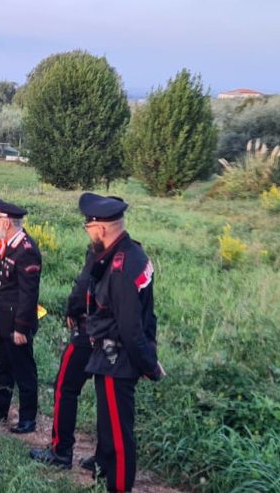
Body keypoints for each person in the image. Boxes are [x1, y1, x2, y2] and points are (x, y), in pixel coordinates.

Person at [75, 192, 164, 492]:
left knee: (120, 438)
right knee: (109, 431)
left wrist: (150, 365)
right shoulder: (126, 253)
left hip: (118, 361)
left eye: (89, 228)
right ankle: (106, 481)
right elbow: (147, 315)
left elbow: (130, 327)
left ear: (101, 228)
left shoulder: (122, 267)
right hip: (110, 356)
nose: (88, 234)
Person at [0, 197, 41, 434]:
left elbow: (28, 293)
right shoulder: (11, 245)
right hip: (4, 317)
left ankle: (27, 419)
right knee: (2, 367)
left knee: (24, 371)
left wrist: (22, 328)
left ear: (6, 223)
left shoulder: (26, 251)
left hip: (17, 321)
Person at [30, 243, 98, 469]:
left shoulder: (99, 250)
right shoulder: (131, 254)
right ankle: (105, 457)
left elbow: (83, 286)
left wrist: (72, 309)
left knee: (65, 389)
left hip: (88, 334)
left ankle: (61, 451)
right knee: (108, 399)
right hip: (115, 338)